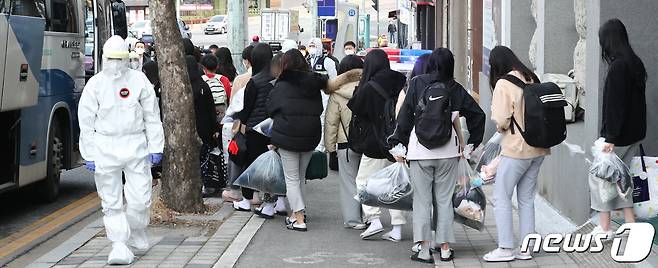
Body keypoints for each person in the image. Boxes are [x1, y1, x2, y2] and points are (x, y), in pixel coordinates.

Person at [390, 48, 486, 263]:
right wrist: (471, 144)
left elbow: (405, 116)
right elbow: (478, 115)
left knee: (422, 201)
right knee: (444, 201)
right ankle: (444, 248)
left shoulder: (417, 83)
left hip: (419, 152)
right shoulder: (455, 88)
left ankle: (423, 250)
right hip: (449, 153)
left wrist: (398, 143)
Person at [78, 36, 164, 265]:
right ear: (104, 58)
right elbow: (85, 122)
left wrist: (156, 146)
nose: (115, 64)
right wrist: (89, 153)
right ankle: (118, 244)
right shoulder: (95, 84)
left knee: (140, 198)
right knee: (111, 201)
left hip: (135, 145)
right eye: (111, 59)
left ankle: (136, 230)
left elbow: (152, 116)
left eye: (119, 59)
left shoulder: (139, 81)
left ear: (127, 58)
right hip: (105, 147)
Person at [483, 46, 545, 262]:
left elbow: (501, 120)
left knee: (501, 197)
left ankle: (505, 248)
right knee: (526, 198)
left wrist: (501, 131)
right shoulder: (531, 76)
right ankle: (528, 247)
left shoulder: (504, 83)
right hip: (538, 148)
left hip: (517, 149)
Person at [588, 19, 646, 238]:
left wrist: (610, 137)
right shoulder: (635, 62)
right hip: (634, 134)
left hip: (618, 136)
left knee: (600, 178)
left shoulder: (618, 67)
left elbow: (616, 106)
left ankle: (605, 228)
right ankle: (630, 224)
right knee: (622, 180)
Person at [347, 49, 408, 242]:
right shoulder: (400, 81)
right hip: (398, 142)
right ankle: (397, 229)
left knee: (363, 181)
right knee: (396, 185)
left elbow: (357, 109)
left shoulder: (369, 87)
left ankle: (374, 219)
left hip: (375, 143)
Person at [267, 49, 327, 231]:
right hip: (310, 135)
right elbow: (318, 107)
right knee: (300, 177)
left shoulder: (281, 85)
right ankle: (295, 214)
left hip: (287, 136)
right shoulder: (313, 84)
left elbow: (270, 109)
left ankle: (299, 219)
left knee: (291, 179)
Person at [324, 55, 366, 230]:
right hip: (368, 143)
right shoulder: (368, 88)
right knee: (367, 181)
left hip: (345, 144)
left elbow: (331, 122)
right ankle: (370, 216)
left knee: (349, 183)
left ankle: (353, 220)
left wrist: (330, 147)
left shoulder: (337, 93)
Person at [233, 43, 275, 212]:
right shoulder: (276, 80)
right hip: (273, 130)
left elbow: (246, 109)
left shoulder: (254, 82)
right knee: (271, 168)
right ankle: (274, 202)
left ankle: (246, 200)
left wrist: (239, 123)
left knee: (251, 166)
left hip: (254, 130)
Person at [221, 45, 254, 203]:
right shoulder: (272, 78)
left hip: (243, 126)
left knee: (238, 157)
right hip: (266, 128)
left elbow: (233, 107)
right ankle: (259, 194)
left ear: (247, 61)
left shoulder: (241, 79)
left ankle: (236, 190)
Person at [186, 55, 222, 197]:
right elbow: (210, 109)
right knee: (203, 157)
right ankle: (205, 184)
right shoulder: (203, 85)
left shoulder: (182, 86)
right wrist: (214, 128)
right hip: (204, 129)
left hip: (188, 129)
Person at [201, 54, 231, 119]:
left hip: (206, 118)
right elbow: (230, 98)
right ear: (217, 66)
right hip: (223, 117)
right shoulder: (224, 79)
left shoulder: (201, 80)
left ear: (203, 67)